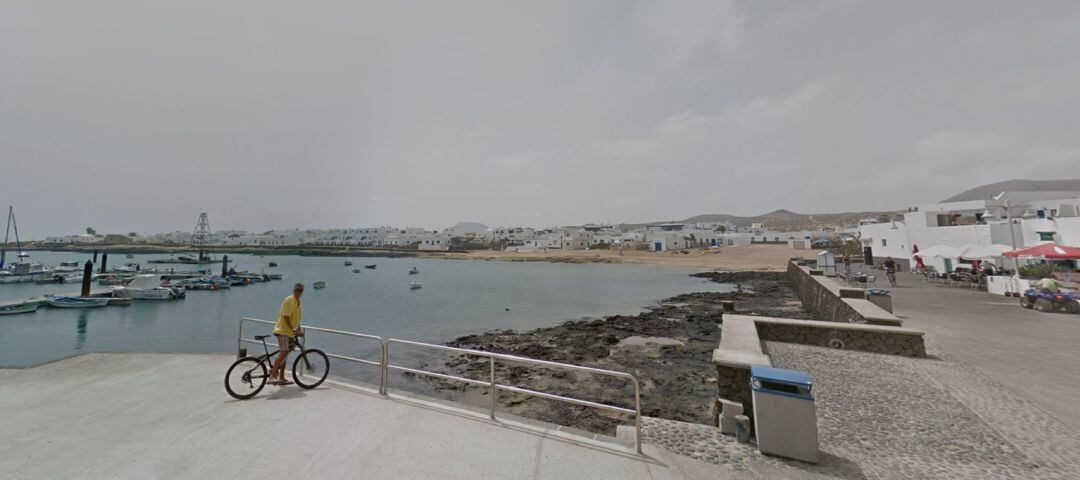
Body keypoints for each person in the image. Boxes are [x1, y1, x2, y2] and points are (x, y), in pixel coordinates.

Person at [268, 283, 304, 385]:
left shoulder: (298, 302)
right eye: (297, 290)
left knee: (286, 354)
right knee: (284, 351)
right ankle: (271, 376)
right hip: (283, 331)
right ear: (294, 291)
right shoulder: (289, 300)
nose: (298, 292)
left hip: (290, 333)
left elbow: (297, 318)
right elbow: (286, 316)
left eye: (300, 291)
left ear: (301, 292)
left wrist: (299, 329)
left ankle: (282, 377)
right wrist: (293, 328)